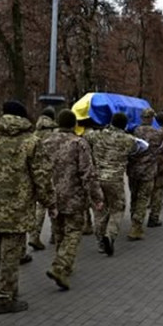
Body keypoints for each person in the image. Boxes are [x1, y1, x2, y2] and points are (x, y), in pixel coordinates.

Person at [0, 100, 56, 314]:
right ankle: (4, 297)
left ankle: (8, 287)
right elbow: (42, 177)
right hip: (17, 206)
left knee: (2, 246)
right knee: (12, 250)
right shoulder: (31, 142)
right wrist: (49, 202)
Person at [43, 109, 104, 290]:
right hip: (74, 196)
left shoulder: (45, 142)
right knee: (74, 232)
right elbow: (88, 173)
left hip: (53, 196)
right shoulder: (79, 143)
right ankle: (60, 266)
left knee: (59, 231)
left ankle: (64, 265)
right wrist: (96, 197)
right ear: (74, 125)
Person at [84, 112, 147, 256]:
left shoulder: (97, 135)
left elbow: (85, 137)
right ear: (125, 125)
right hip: (115, 180)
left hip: (97, 179)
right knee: (117, 208)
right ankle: (110, 235)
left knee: (99, 211)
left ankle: (100, 242)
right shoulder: (129, 140)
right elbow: (142, 147)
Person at [126, 108, 161, 240]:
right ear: (152, 119)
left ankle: (133, 219)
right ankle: (136, 225)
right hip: (148, 171)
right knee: (143, 198)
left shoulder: (135, 131)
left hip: (134, 170)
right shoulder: (157, 134)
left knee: (134, 196)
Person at [28, 107, 58, 252]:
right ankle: (54, 234)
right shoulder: (54, 133)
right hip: (53, 172)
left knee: (40, 206)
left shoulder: (34, 134)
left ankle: (34, 235)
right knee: (54, 203)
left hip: (36, 174)